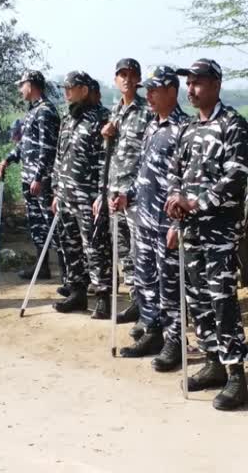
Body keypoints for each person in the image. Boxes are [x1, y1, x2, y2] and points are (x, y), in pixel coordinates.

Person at [165, 59, 248, 410]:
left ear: (215, 84)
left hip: (221, 230)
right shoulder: (187, 129)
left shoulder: (233, 125)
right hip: (191, 231)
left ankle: (236, 376)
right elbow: (175, 173)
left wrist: (194, 203)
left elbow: (236, 177)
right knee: (196, 298)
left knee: (221, 300)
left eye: (198, 82)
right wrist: (174, 207)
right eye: (189, 82)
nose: (191, 88)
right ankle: (213, 363)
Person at [114, 66, 188, 365]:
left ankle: (174, 341)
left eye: (155, 90)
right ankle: (152, 330)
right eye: (148, 90)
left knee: (169, 286)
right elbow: (144, 173)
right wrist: (127, 195)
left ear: (172, 91)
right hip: (143, 219)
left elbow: (187, 181)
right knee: (145, 281)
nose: (149, 95)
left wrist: (176, 223)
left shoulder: (184, 128)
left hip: (166, 223)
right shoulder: (153, 126)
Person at [96, 59, 153, 326]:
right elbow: (109, 156)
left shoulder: (147, 111)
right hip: (115, 191)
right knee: (122, 252)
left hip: (138, 194)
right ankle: (135, 300)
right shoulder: (114, 110)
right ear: (116, 79)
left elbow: (150, 155)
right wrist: (106, 134)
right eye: (122, 74)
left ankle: (149, 308)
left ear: (139, 79)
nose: (127, 79)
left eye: (131, 75)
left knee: (141, 251)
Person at [50, 71, 111, 318]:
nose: (65, 92)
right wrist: (56, 191)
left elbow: (105, 161)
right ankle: (77, 292)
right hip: (65, 195)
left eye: (70, 87)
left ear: (84, 91)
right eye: (64, 87)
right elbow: (59, 155)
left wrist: (101, 195)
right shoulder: (67, 118)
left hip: (88, 197)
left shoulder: (101, 119)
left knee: (95, 247)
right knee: (69, 246)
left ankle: (103, 296)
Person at [0, 70, 61, 282]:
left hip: (41, 180)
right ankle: (41, 267)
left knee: (52, 225)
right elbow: (25, 144)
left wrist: (39, 177)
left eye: (21, 85)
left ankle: (69, 274)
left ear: (31, 85)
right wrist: (7, 159)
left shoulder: (46, 111)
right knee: (37, 224)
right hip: (29, 176)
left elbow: (48, 147)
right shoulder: (32, 111)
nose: (19, 89)